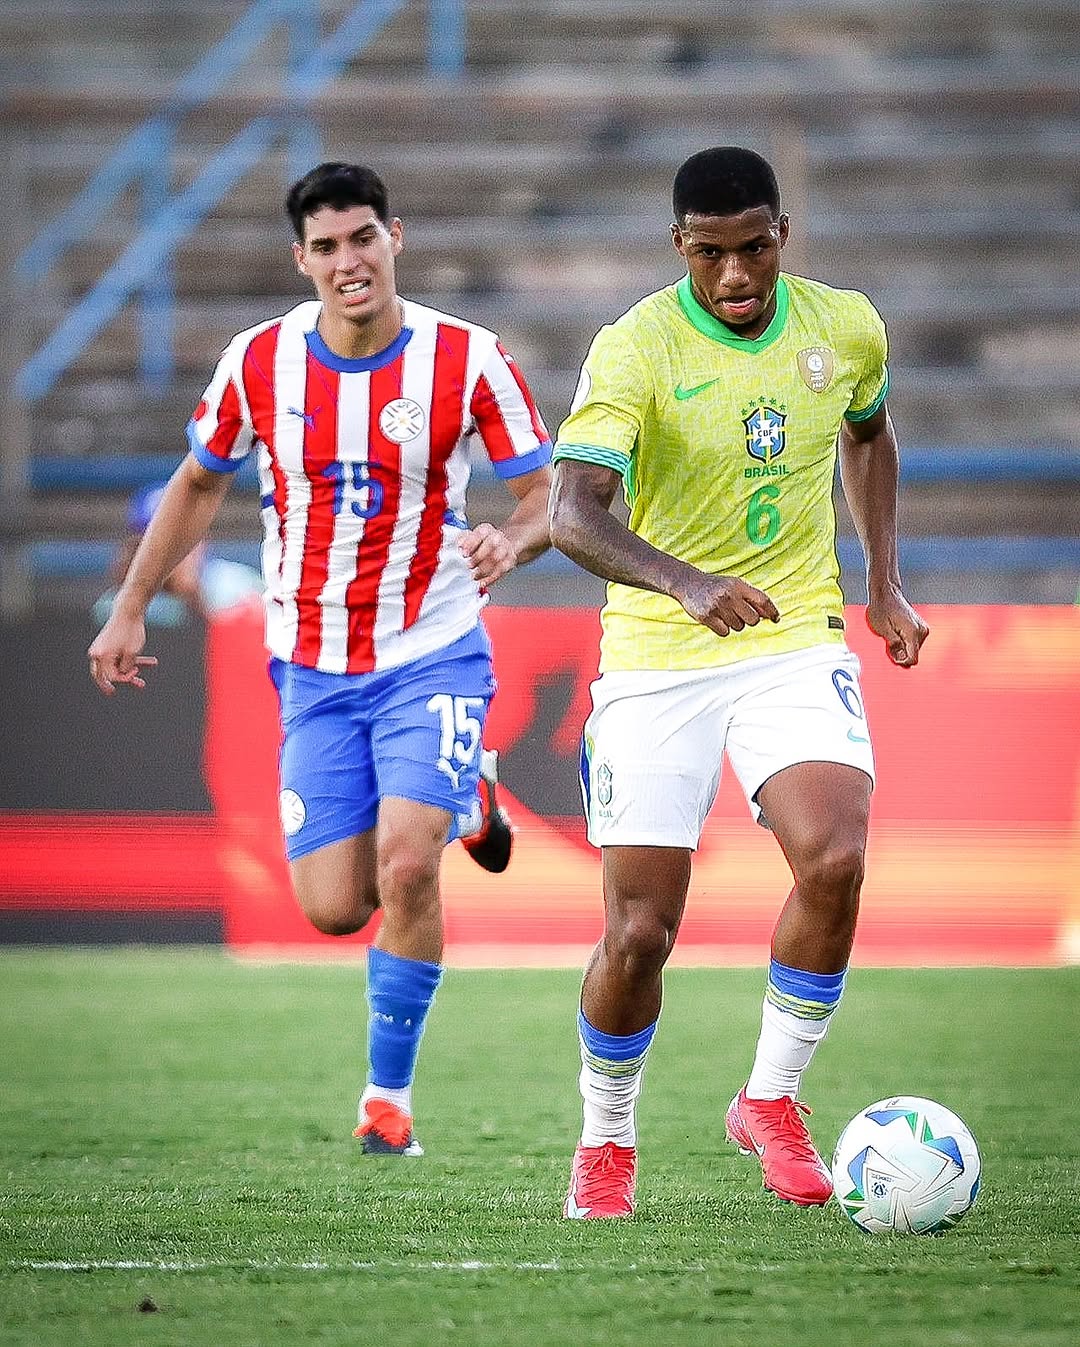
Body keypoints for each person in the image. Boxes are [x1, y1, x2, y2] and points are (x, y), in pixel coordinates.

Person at [89, 161, 553, 1155]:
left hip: (432, 651)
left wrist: (512, 541)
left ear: (396, 237)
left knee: (406, 865)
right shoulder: (259, 362)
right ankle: (469, 794)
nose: (350, 261)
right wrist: (130, 608)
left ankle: (388, 1102)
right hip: (311, 668)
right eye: (328, 246)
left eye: (364, 239)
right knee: (336, 907)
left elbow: (547, 493)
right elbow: (197, 485)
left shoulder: (468, 358)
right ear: (302, 258)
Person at [549, 146, 929, 1217]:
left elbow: (870, 436)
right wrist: (685, 582)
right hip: (657, 655)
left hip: (793, 633)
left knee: (836, 857)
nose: (734, 275)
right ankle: (606, 1140)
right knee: (640, 934)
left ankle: (770, 1098)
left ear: (782, 235)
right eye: (710, 253)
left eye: (754, 248)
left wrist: (884, 585)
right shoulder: (634, 346)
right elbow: (572, 513)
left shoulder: (845, 326)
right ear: (679, 245)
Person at [92, 483, 264, 628]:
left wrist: (193, 596)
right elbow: (105, 617)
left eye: (183, 538)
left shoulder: (238, 585)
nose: (172, 551)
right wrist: (136, 592)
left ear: (202, 538)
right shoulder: (118, 601)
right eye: (158, 541)